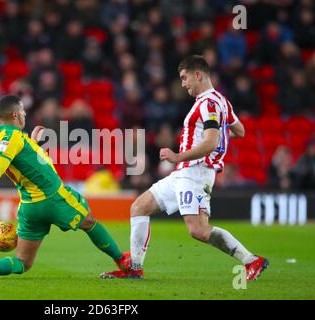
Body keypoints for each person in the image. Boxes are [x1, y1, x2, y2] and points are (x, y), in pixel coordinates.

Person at [101, 55, 268, 281]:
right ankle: (135, 269)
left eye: (184, 77)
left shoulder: (209, 103)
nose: (183, 84)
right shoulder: (222, 102)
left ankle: (251, 260)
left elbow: (209, 142)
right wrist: (219, 140)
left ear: (198, 74)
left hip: (195, 173)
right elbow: (239, 131)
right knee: (139, 207)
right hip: (184, 173)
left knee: (198, 230)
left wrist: (177, 155)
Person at [0, 95, 130, 279]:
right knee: (90, 223)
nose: (24, 114)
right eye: (22, 111)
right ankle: (123, 262)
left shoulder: (3, 136)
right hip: (52, 197)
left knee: (22, 262)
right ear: (15, 114)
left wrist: (34, 143)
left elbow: (23, 161)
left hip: (30, 207)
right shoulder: (10, 137)